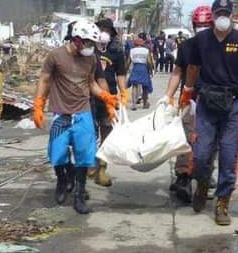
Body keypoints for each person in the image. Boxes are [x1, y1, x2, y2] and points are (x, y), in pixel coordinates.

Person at [183, 0, 238, 226]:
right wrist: (188, 91)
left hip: (232, 106)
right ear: (213, 15)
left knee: (229, 157)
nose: (222, 18)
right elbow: (193, 67)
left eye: (225, 14)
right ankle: (202, 184)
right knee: (200, 155)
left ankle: (222, 203)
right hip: (207, 104)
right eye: (218, 13)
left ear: (231, 16)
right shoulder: (201, 40)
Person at [32, 20, 119, 214]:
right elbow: (44, 80)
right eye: (88, 43)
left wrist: (106, 97)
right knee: (57, 155)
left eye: (92, 44)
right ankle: (63, 179)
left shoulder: (91, 59)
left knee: (84, 155)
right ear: (77, 39)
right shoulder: (55, 56)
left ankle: (80, 194)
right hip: (61, 113)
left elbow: (91, 83)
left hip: (83, 112)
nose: (90, 47)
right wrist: (38, 105)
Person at [161, 5, 214, 203]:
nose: (202, 28)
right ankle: (183, 177)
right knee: (185, 138)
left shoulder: (220, 46)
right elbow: (177, 73)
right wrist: (168, 96)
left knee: (209, 142)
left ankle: (204, 176)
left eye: (205, 25)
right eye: (199, 25)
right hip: (189, 99)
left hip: (213, 100)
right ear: (193, 25)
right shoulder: (187, 47)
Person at [90, 18, 129, 186]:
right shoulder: (88, 50)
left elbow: (120, 74)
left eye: (107, 29)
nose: (104, 32)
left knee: (107, 131)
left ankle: (102, 168)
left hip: (109, 96)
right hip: (89, 96)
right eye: (101, 28)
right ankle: (90, 162)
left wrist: (123, 92)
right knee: (89, 131)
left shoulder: (116, 51)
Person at [127, 38, 154, 110]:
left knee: (134, 86)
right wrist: (151, 69)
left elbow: (128, 61)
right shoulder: (146, 50)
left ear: (135, 44)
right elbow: (149, 61)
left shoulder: (132, 50)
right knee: (145, 87)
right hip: (144, 68)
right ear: (142, 44)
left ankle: (133, 105)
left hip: (135, 68)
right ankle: (145, 104)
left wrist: (125, 70)